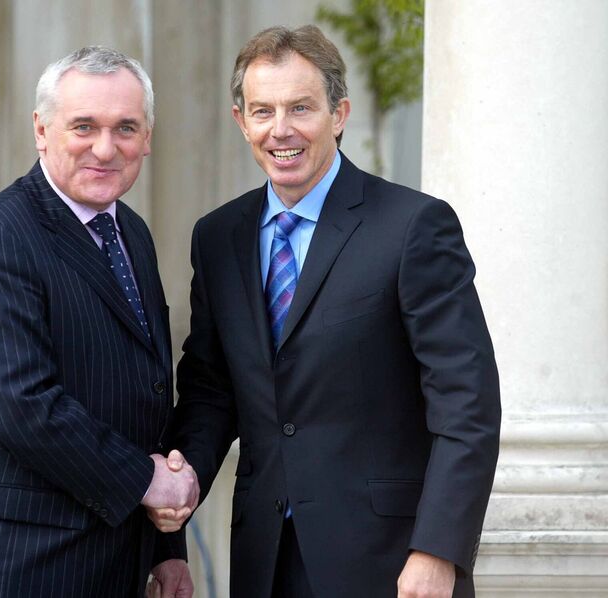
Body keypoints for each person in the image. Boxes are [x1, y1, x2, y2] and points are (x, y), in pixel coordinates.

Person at [166, 25, 501, 598]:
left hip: (390, 565)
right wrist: (175, 497)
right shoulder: (218, 237)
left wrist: (438, 550)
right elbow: (210, 392)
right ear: (240, 120)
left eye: (301, 108)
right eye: (263, 111)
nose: (282, 130)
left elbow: (467, 403)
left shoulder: (412, 226)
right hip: (264, 560)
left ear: (339, 113)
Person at [0, 46, 196, 598]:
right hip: (19, 566)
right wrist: (148, 482)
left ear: (147, 138)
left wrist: (167, 548)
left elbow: (147, 393)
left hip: (117, 560)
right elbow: (19, 404)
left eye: (126, 127)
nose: (106, 147)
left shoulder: (132, 235)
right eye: (84, 126)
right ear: (42, 130)